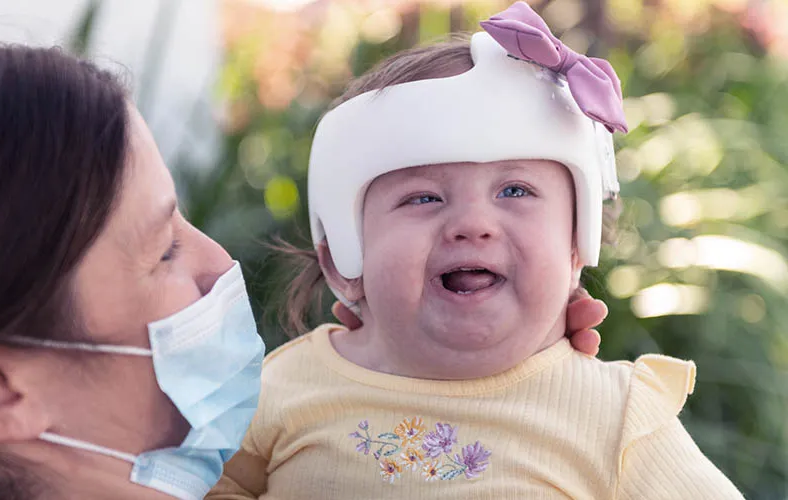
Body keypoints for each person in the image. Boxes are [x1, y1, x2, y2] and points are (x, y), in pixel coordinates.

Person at [0, 42, 605, 500]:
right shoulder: (292, 397)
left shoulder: (612, 417)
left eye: (517, 192)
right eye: (163, 252)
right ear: (1, 391)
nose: (221, 265)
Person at [208, 3, 744, 499]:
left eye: (515, 191)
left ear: (577, 244)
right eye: (423, 197)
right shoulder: (285, 388)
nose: (471, 225)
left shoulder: (617, 418)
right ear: (343, 262)